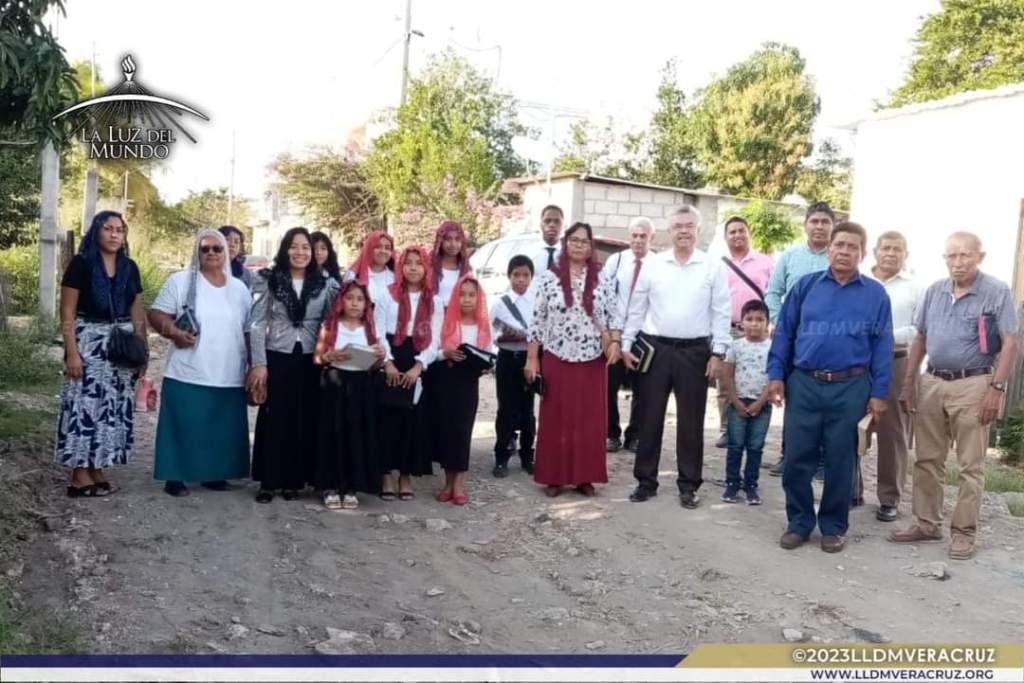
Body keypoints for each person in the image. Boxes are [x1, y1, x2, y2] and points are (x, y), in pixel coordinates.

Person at [890, 232, 1018, 560]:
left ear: (980, 256)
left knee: (969, 465)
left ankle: (963, 532)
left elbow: (1009, 344)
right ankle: (926, 523)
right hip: (932, 381)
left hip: (974, 384)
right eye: (951, 256)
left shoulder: (996, 291)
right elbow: (920, 338)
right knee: (927, 459)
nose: (958, 263)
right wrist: (909, 383)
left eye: (965, 256)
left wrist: (996, 388)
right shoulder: (935, 291)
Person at [767, 222, 893, 554]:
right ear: (829, 248)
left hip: (851, 386)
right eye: (839, 245)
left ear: (862, 254)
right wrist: (776, 375)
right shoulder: (805, 287)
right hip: (804, 384)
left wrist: (879, 393)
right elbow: (785, 333)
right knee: (797, 458)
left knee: (841, 461)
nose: (844, 251)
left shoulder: (875, 294)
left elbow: (882, 346)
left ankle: (833, 527)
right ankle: (799, 523)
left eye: (852, 246)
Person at [622, 205, 731, 508]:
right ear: (669, 232)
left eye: (689, 225)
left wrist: (718, 353)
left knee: (691, 422)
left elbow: (721, 313)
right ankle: (646, 481)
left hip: (695, 352)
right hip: (655, 350)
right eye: (678, 226)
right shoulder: (654, 265)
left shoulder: (712, 267)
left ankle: (689, 484)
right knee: (649, 418)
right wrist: (628, 343)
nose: (684, 231)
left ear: (699, 230)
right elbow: (637, 307)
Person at [148, 230, 252, 497]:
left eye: (217, 249)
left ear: (226, 253)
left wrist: (255, 365)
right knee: (182, 424)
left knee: (221, 426)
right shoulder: (181, 281)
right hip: (188, 368)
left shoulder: (239, 289)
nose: (211, 253)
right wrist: (173, 331)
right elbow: (156, 313)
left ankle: (214, 474)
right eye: (204, 249)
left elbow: (250, 329)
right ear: (196, 251)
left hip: (228, 370)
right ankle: (175, 476)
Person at [525, 222, 622, 498]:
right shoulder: (548, 278)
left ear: (591, 247)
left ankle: (584, 477)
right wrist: (532, 359)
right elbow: (537, 321)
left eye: (584, 241)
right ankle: (553, 476)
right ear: (565, 243)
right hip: (556, 355)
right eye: (574, 240)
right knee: (556, 418)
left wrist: (614, 343)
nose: (579, 245)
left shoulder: (602, 277)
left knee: (588, 420)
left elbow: (614, 314)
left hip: (592, 359)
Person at [56, 211, 147, 497]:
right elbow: (67, 310)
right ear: (96, 231)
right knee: (84, 406)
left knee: (112, 408)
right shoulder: (81, 264)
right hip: (89, 342)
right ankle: (79, 475)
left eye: (120, 230)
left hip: (120, 344)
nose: (114, 235)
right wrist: (72, 352)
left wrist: (141, 351)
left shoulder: (129, 267)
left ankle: (97, 467)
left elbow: (137, 310)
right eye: (108, 229)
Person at [248, 227, 339, 503]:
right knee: (275, 416)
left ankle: (293, 481)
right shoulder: (269, 280)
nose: (300, 252)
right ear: (285, 249)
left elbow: (331, 322)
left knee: (304, 417)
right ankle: (268, 481)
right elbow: (257, 322)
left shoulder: (323, 283)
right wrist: (259, 363)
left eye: (306, 248)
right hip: (277, 353)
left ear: (312, 253)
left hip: (311, 358)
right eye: (294, 246)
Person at [764, 201, 835, 477]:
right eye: (814, 221)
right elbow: (772, 292)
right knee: (794, 396)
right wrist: (782, 322)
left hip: (828, 341)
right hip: (794, 339)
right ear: (805, 224)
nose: (819, 226)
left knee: (825, 400)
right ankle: (788, 454)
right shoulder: (790, 256)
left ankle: (820, 461)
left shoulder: (838, 256)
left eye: (825, 222)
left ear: (833, 227)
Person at [312, 280, 388, 510]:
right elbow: (317, 358)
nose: (354, 303)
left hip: (360, 386)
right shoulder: (330, 325)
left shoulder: (369, 330)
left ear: (366, 305)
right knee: (333, 434)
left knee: (356, 434)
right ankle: (330, 486)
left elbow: (375, 365)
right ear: (341, 301)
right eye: (350, 298)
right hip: (335, 383)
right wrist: (330, 356)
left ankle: (352, 486)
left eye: (360, 299)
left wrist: (379, 357)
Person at [861, 231, 920, 520]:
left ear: (905, 254)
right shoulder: (859, 281)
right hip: (858, 363)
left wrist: (881, 336)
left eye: (898, 249)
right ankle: (850, 489)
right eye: (886, 248)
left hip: (897, 362)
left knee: (893, 433)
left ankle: (889, 498)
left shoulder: (914, 288)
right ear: (875, 251)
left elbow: (918, 330)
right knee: (851, 427)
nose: (891, 253)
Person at [379, 245, 443, 500]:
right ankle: (385, 474)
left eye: (419, 263)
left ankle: (405, 475)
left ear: (426, 267)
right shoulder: (388, 295)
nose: (413, 268)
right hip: (392, 357)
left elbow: (434, 339)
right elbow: (378, 331)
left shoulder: (434, 300)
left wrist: (419, 366)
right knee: (387, 418)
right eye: (408, 262)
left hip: (417, 360)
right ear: (401, 266)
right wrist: (388, 363)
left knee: (412, 420)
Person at [426, 275, 494, 505]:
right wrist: (445, 352)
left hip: (468, 382)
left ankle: (459, 485)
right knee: (446, 431)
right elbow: (432, 349)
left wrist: (483, 363)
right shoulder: (446, 322)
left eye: (471, 295)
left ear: (478, 298)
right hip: (446, 380)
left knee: (463, 432)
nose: (466, 299)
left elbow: (489, 354)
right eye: (462, 294)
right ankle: (447, 483)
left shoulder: (482, 325)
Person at [714, 215, 773, 449]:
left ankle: (755, 428)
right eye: (732, 232)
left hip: (758, 332)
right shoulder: (718, 264)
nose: (737, 235)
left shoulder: (766, 262)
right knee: (726, 382)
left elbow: (773, 294)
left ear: (749, 233)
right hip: (727, 330)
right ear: (726, 236)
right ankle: (727, 428)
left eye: (741, 230)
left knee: (759, 380)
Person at [601, 216, 655, 453]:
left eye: (643, 236)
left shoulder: (659, 264)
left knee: (642, 388)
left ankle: (635, 435)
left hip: (644, 336)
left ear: (650, 238)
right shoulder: (616, 260)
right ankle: (611, 433)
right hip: (615, 333)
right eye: (634, 235)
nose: (638, 240)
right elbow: (602, 295)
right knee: (608, 385)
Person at [719, 299, 773, 506]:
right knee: (735, 445)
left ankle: (751, 485)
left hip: (762, 405)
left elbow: (772, 378)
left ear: (767, 323)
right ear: (741, 322)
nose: (754, 324)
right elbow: (728, 376)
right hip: (737, 403)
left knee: (755, 446)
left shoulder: (772, 348)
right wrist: (735, 401)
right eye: (749, 319)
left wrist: (760, 402)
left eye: (760, 319)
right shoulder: (735, 346)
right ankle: (732, 483)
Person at [490, 255, 537, 478]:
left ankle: (528, 456)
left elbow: (539, 333)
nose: (520, 280)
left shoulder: (537, 302)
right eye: (516, 275)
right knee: (505, 410)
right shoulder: (500, 303)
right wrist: (507, 334)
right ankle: (501, 456)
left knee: (528, 411)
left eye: (525, 275)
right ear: (509, 276)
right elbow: (492, 333)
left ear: (531, 277)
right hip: (507, 359)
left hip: (529, 359)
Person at [344, 229, 395, 307]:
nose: (383, 251)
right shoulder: (354, 275)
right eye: (378, 247)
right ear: (369, 248)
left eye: (387, 248)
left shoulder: (396, 278)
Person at [430, 221, 471, 306]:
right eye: (448, 239)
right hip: (434, 316)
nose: (453, 244)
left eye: (457, 239)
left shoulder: (466, 269)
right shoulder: (430, 266)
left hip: (459, 317)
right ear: (440, 241)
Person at [519, 205, 564, 273]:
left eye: (557, 221)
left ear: (562, 225)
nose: (552, 225)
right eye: (547, 221)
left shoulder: (570, 255)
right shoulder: (527, 253)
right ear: (541, 224)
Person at [218, 225, 253, 289]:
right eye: (227, 239)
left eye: (236, 242)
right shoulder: (205, 269)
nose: (232, 245)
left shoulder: (245, 274)